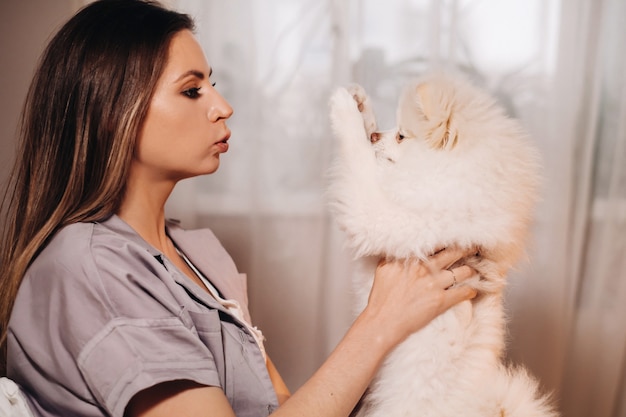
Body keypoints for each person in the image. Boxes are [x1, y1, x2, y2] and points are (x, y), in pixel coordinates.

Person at [0, 1, 478, 416]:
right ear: (112, 113)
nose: (223, 107)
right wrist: (382, 322)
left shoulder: (198, 255)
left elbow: (287, 406)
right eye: (192, 91)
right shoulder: (91, 268)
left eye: (213, 84)